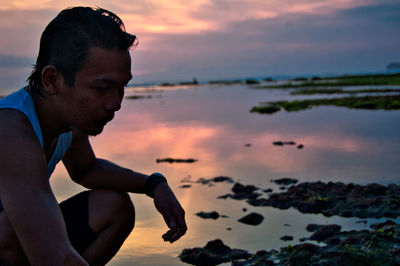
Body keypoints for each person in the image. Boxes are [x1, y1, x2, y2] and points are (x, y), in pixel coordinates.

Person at [0, 6, 187, 266]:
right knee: (10, 229)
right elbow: (52, 256)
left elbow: (86, 170)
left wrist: (154, 185)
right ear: (52, 80)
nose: (115, 103)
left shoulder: (67, 122)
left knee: (114, 206)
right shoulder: (10, 130)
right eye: (102, 88)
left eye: (121, 87)